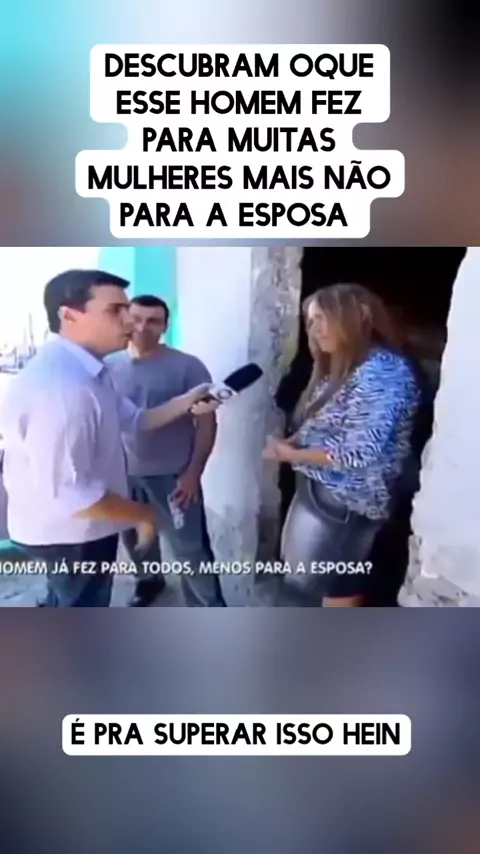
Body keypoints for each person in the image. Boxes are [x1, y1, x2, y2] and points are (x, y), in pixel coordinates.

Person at [0, 270, 217, 607]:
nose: (131, 323)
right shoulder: (64, 388)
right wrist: (142, 514)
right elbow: (72, 495)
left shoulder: (91, 372)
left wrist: (190, 399)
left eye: (126, 309)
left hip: (84, 525)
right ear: (69, 316)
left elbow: (137, 420)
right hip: (71, 535)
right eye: (115, 311)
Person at [263, 283, 421, 607]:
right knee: (311, 587)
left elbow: (359, 450)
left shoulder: (383, 371)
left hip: (347, 505)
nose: (314, 329)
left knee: (332, 589)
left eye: (322, 318)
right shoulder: (348, 366)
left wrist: (291, 454)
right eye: (310, 321)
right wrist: (294, 442)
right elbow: (325, 423)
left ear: (358, 316)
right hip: (324, 498)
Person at [107, 295, 226, 607]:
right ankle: (149, 582)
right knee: (136, 539)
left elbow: (207, 424)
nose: (142, 327)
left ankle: (208, 607)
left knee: (190, 549)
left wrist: (193, 473)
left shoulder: (188, 366)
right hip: (123, 475)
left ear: (165, 326)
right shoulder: (107, 366)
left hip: (174, 477)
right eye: (136, 319)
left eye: (153, 321)